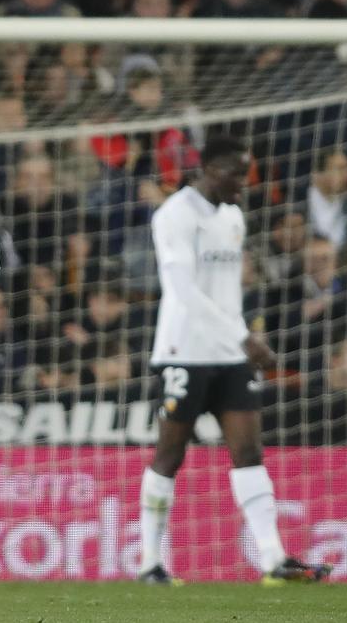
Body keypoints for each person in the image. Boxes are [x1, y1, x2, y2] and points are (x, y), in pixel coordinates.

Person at [139, 135, 332, 586]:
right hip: (181, 353)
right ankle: (150, 562)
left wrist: (240, 338)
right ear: (206, 168)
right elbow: (182, 291)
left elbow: (226, 293)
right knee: (169, 454)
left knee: (248, 451)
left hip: (228, 354)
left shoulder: (233, 216)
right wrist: (245, 337)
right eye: (233, 175)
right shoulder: (175, 215)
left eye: (245, 176)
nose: (241, 185)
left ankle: (273, 560)